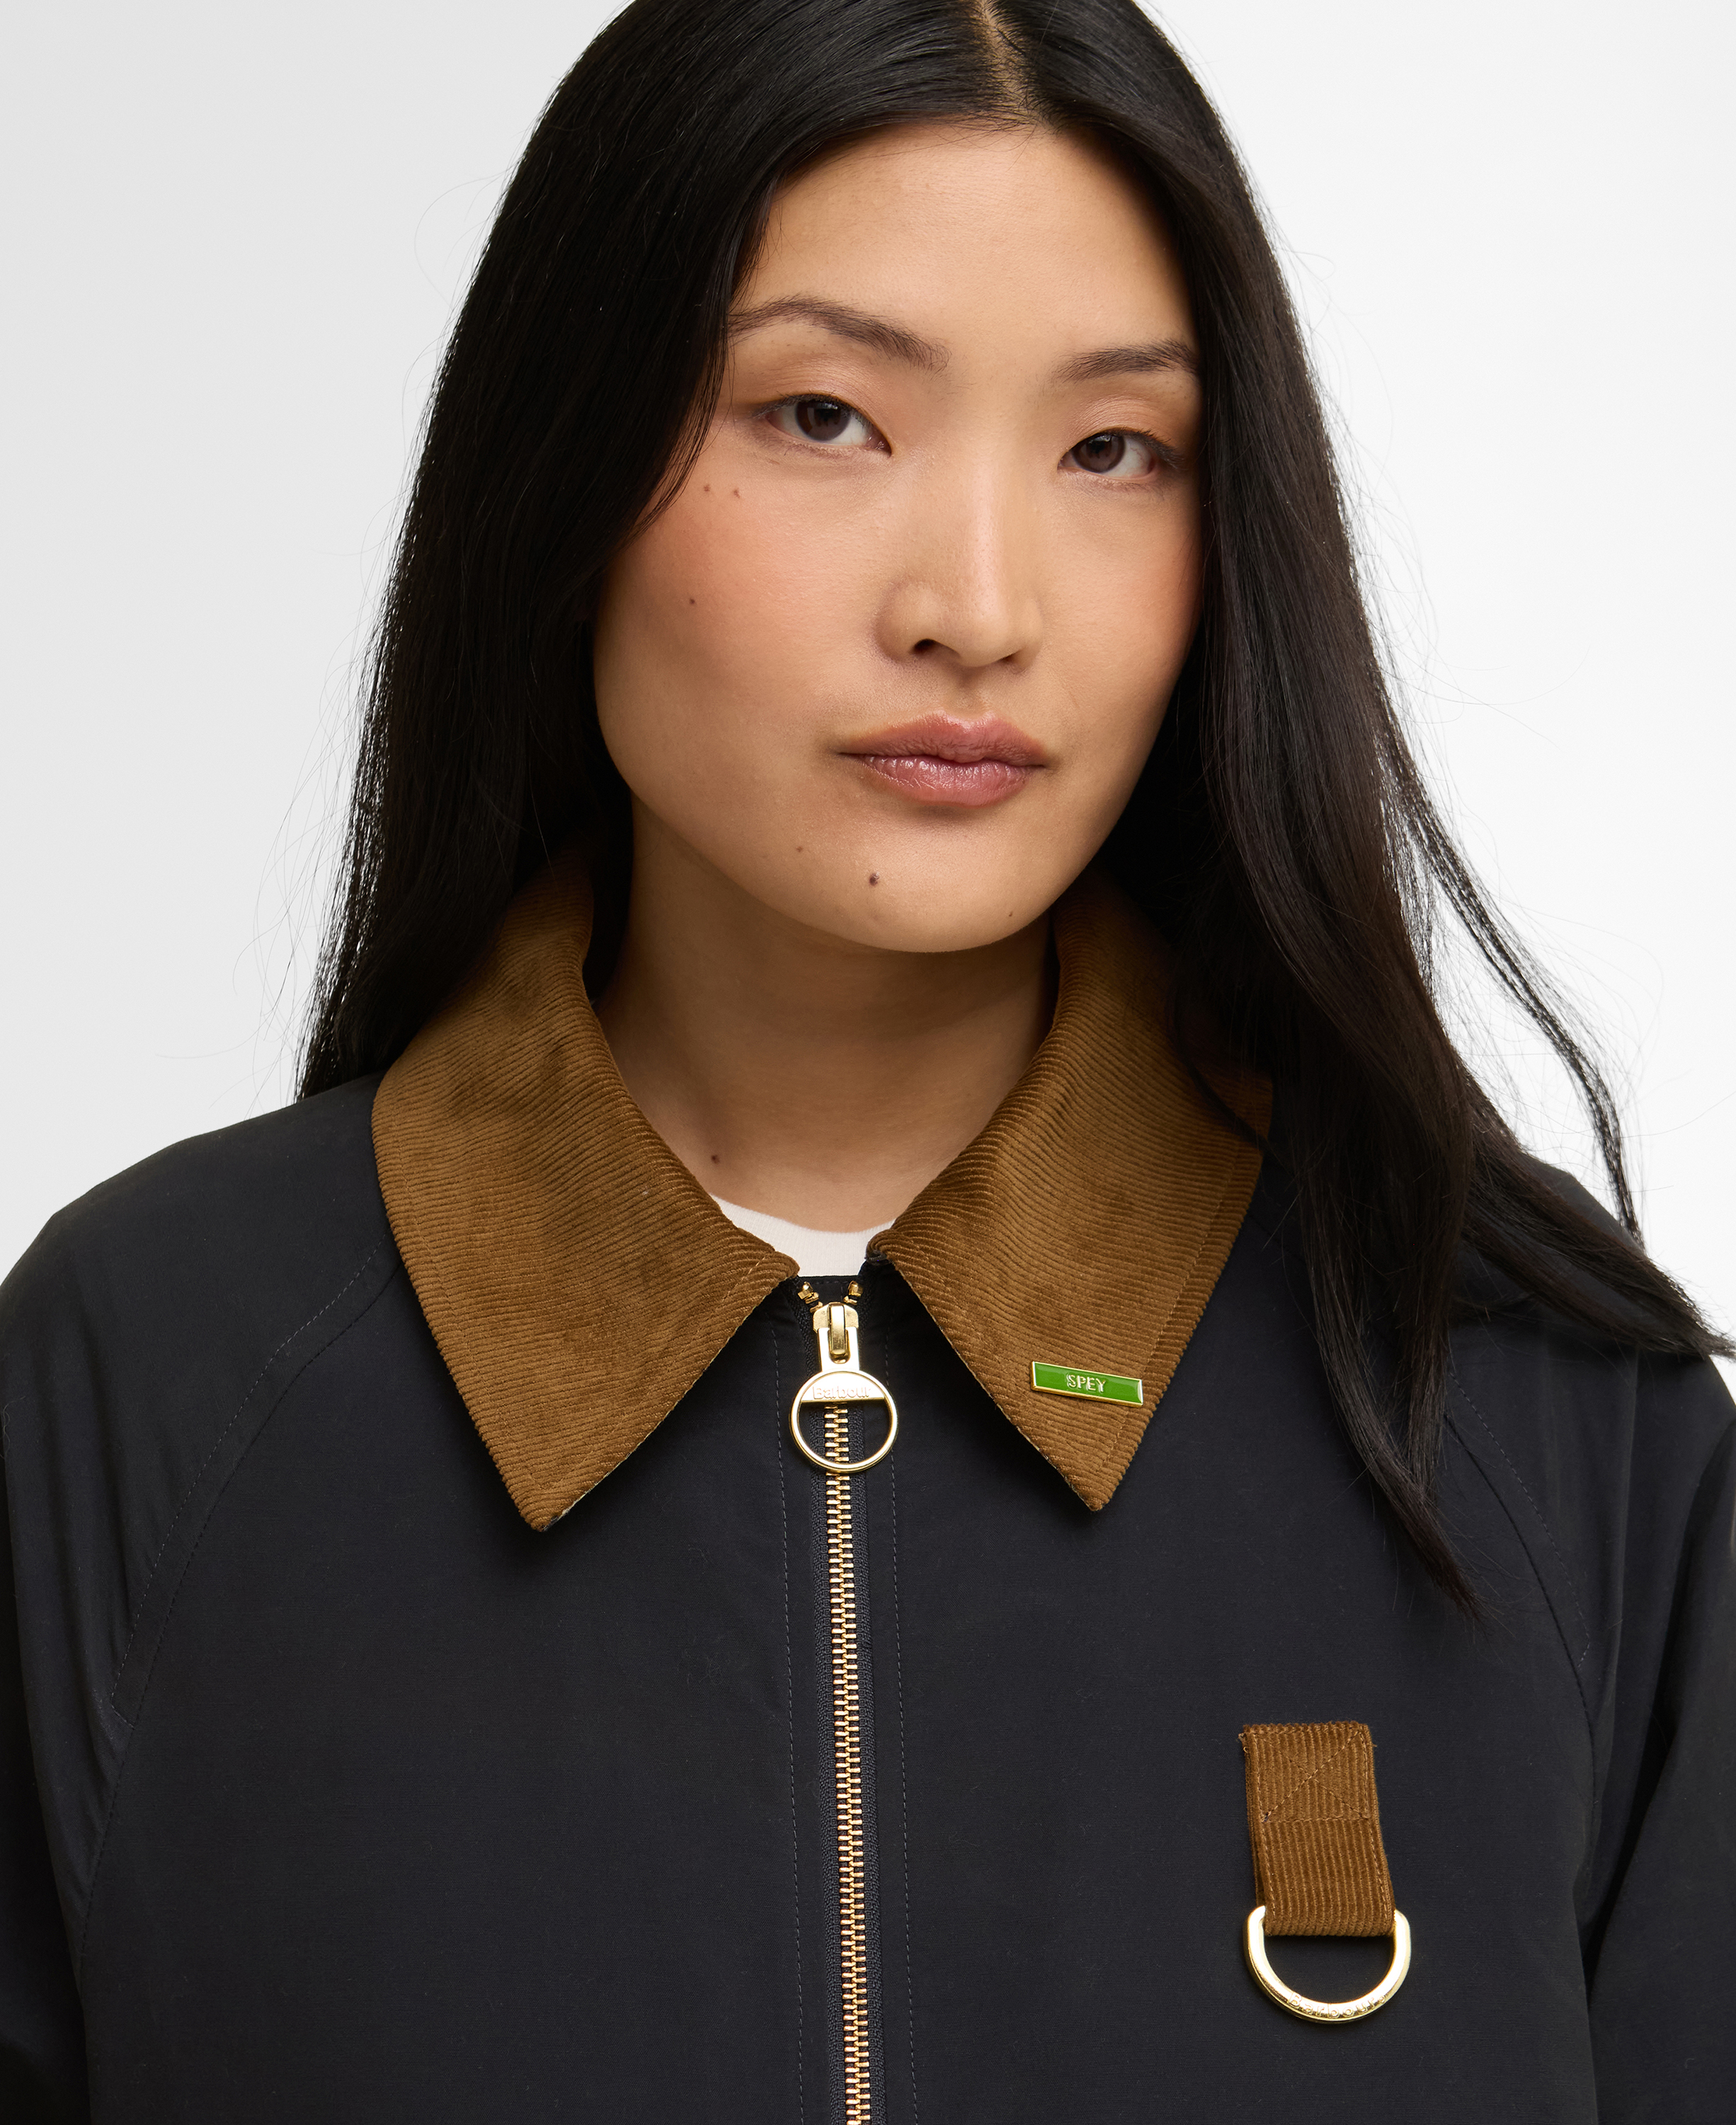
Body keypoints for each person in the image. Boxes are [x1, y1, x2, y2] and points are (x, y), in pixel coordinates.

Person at [2, 1, 1730, 2118]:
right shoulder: (140, 1386)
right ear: (564, 467)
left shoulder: (1557, 1418)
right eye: (823, 416)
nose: (978, 606)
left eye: (1116, 448)